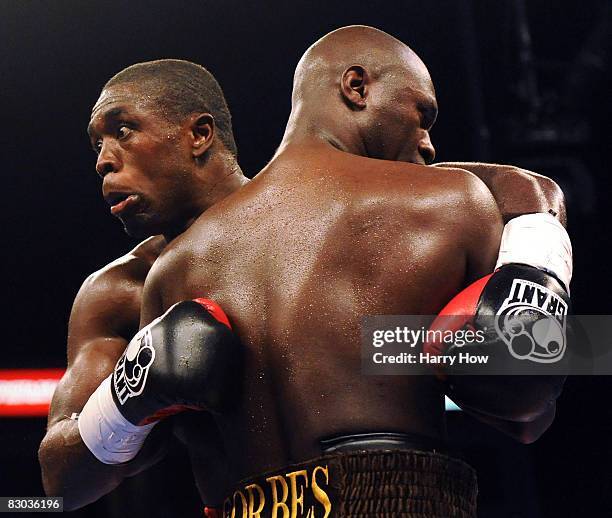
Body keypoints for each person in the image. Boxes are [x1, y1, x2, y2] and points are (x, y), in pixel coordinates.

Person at [74, 25, 568, 517]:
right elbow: (526, 404)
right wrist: (541, 253)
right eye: (423, 116)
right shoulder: (451, 203)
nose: (428, 144)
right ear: (356, 87)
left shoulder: (173, 271)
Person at [38, 59, 249, 511]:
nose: (102, 160)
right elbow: (59, 483)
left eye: (123, 129)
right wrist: (132, 394)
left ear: (199, 135)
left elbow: (390, 348)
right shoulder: (121, 292)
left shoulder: (307, 227)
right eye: (97, 143)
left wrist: (429, 348)